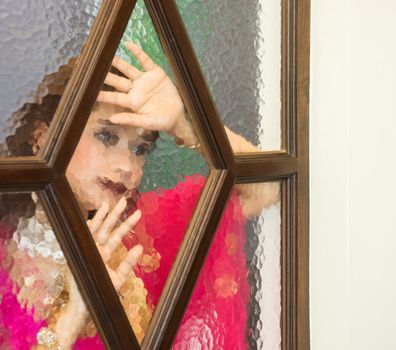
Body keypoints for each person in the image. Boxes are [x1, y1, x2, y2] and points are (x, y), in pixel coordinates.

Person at [0, 43, 279, 349]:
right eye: (106, 136)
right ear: (42, 138)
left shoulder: (144, 238)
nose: (128, 167)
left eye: (140, 149)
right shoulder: (5, 260)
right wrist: (71, 320)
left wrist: (184, 123)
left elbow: (267, 187)